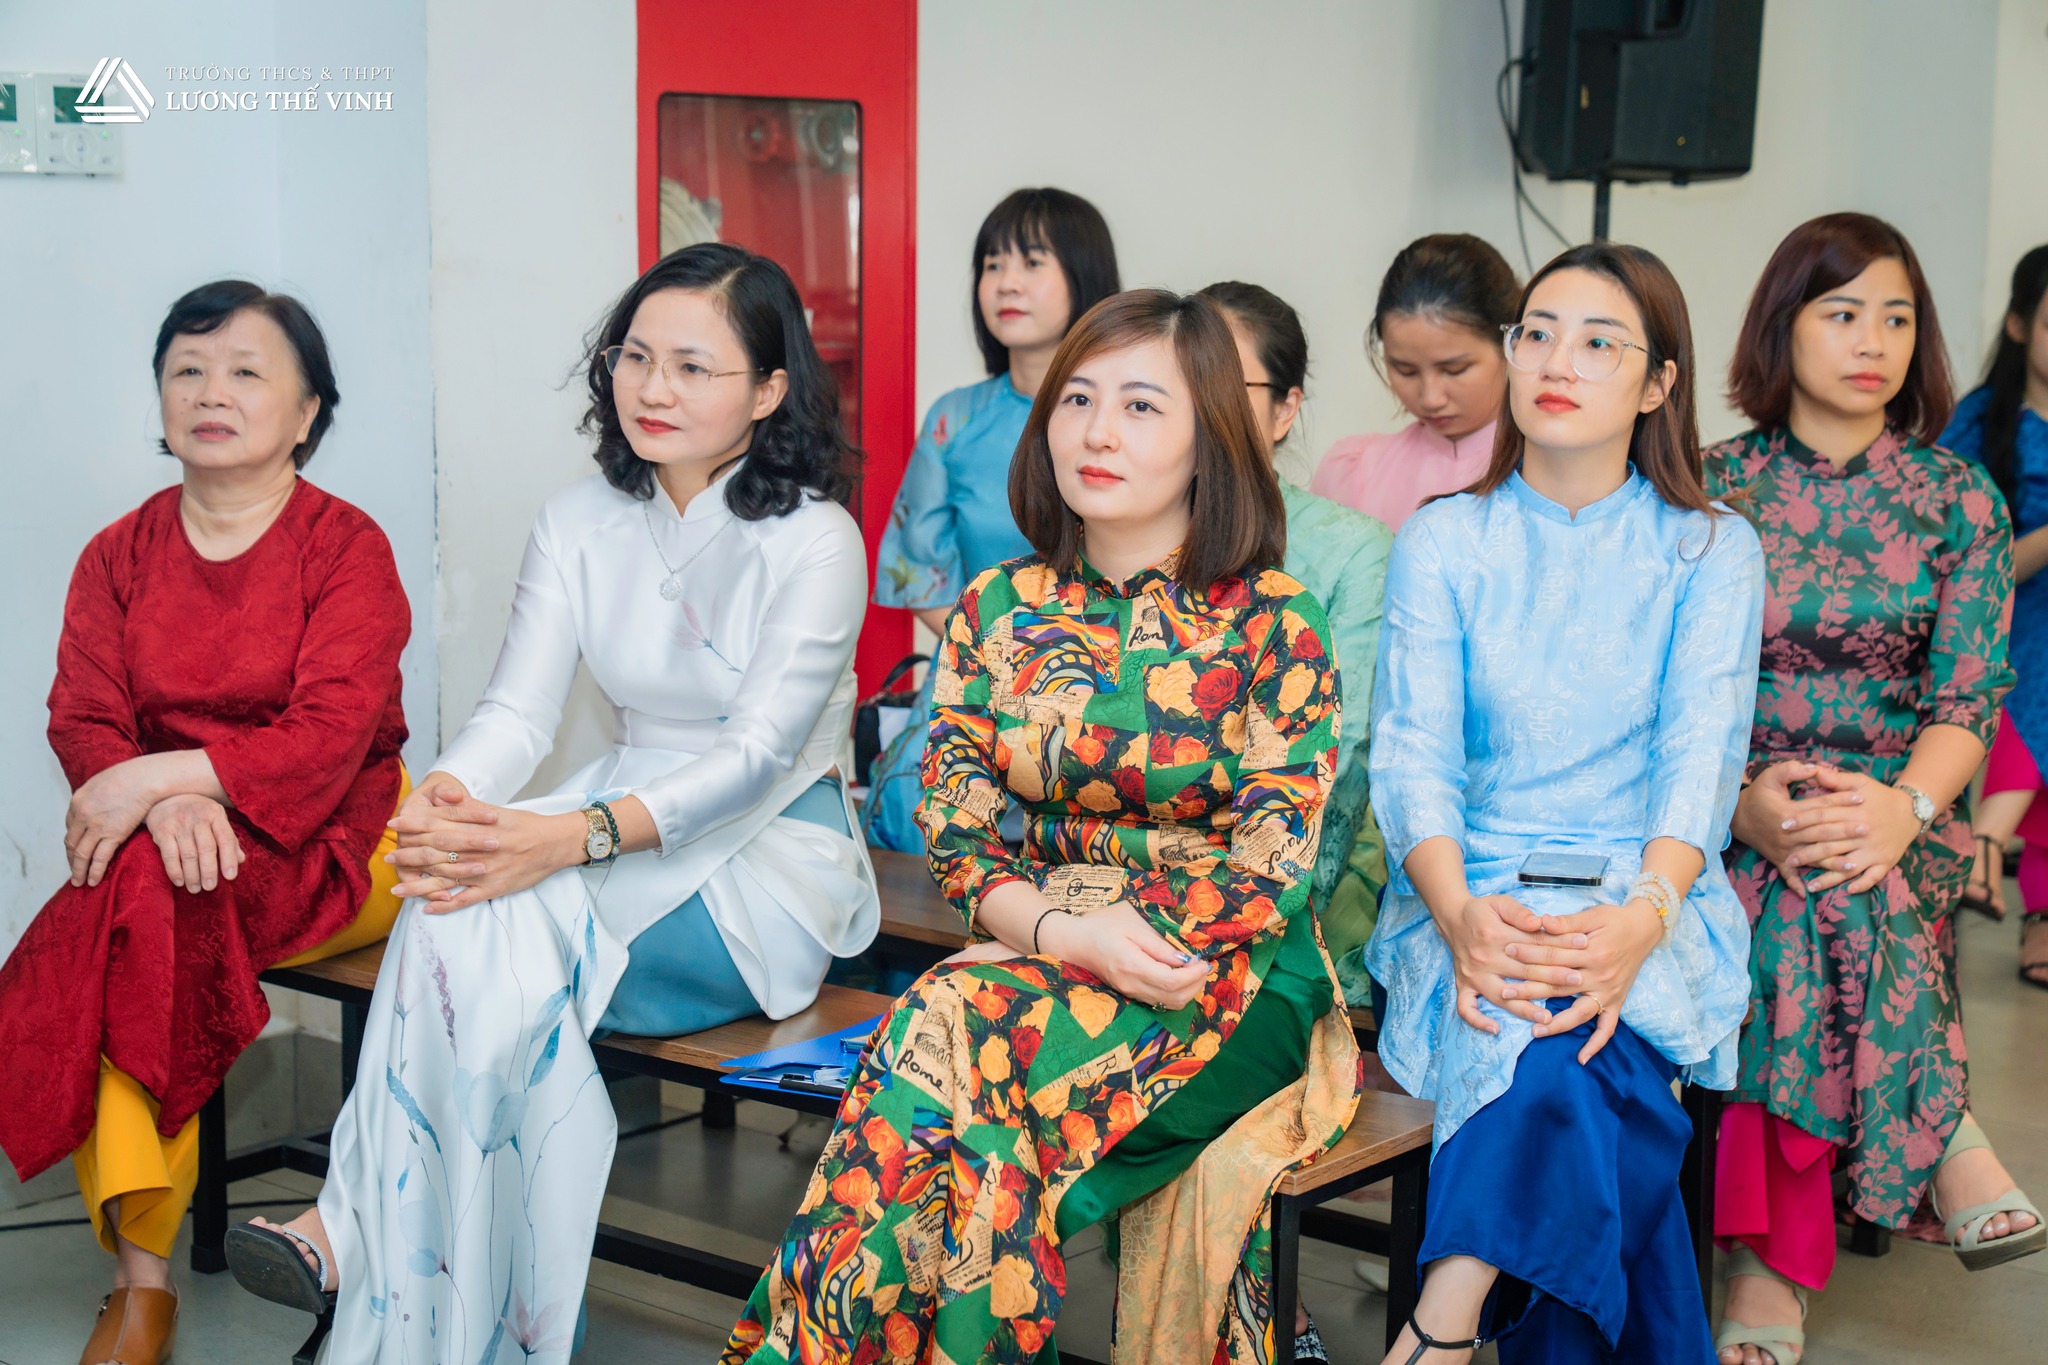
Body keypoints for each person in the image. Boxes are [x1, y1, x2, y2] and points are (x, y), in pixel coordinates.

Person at [222, 243, 881, 1364]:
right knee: (459, 910)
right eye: (635, 356)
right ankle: (436, 1292)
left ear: (770, 391)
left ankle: (358, 1236)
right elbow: (519, 714)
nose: (653, 387)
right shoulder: (579, 517)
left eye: (693, 366)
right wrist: (448, 796)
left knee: (473, 924)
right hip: (603, 810)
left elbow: (758, 758)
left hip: (766, 857)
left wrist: (561, 839)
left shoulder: (815, 538)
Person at [722, 290, 1360, 1365]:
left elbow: (1269, 867)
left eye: (1141, 406)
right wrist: (1062, 936)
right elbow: (956, 832)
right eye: (1077, 399)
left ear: (1210, 435)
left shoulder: (1274, 619)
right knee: (966, 1085)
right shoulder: (998, 607)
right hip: (1045, 954)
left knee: (951, 1031)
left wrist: (1085, 944)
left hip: (1226, 975)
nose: (1097, 432)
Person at [1367, 243, 1763, 1364]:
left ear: (1656, 384)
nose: (1556, 361)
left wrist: (1639, 920)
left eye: (1598, 343)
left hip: (1646, 891)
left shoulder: (1709, 546)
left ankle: (1440, 1326)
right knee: (1564, 1057)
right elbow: (1411, 757)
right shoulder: (1446, 537)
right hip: (1468, 893)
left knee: (1563, 1051)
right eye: (1535, 333)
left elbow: (1699, 759)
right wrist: (1460, 915)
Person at [0, 280, 410, 1365]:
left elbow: (329, 736)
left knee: (124, 915)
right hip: (173, 848)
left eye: (244, 372)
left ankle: (140, 1291)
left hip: (341, 835)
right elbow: (83, 716)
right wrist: (170, 794)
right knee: (143, 906)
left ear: (308, 411)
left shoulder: (346, 547)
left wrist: (168, 782)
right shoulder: (118, 553)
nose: (210, 392)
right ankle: (143, 1282)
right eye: (187, 369)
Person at [1704, 213, 2041, 1365]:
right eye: (1841, 312)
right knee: (1808, 873)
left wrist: (1903, 809)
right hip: (1729, 802)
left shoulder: (1959, 499)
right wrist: (1739, 800)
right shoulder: (1710, 490)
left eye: (1895, 318)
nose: (1871, 341)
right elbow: (1671, 690)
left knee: (1830, 875)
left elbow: (1967, 699)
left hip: (1904, 809)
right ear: (1780, 325)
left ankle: (1763, 1265)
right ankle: (1945, 1137)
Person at [864, 187, 1120, 850]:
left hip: (1109, 685)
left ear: (1084, 275)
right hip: (975, 676)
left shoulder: (1123, 421)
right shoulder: (955, 419)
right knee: (914, 821)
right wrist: (1001, 661)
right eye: (992, 264)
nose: (1006, 282)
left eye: (1032, 262)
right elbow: (919, 575)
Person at [1200, 280, 1393, 1004]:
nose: (1202, 405)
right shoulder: (1118, 537)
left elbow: (1340, 766)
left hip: (1271, 917)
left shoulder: (1351, 550)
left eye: (1228, 384)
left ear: (1285, 409)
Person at [1947, 245, 2048, 986]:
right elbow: (1965, 564)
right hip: (2000, 614)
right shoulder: (1983, 423)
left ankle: (1987, 843)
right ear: (2018, 324)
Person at [1310, 234, 1516, 531]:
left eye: (1454, 369)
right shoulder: (1354, 472)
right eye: (1405, 371)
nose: (1431, 398)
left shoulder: (1552, 470)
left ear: (1510, 345)